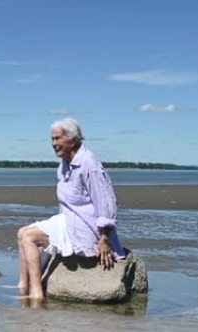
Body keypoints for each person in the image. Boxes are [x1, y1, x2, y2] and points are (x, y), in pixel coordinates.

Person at [16, 118, 125, 302]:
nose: (53, 144)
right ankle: (22, 285)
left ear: (72, 140)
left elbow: (106, 202)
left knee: (29, 237)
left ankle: (36, 294)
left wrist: (105, 239)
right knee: (21, 233)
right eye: (52, 139)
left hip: (86, 227)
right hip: (68, 219)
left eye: (57, 139)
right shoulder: (65, 163)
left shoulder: (89, 163)